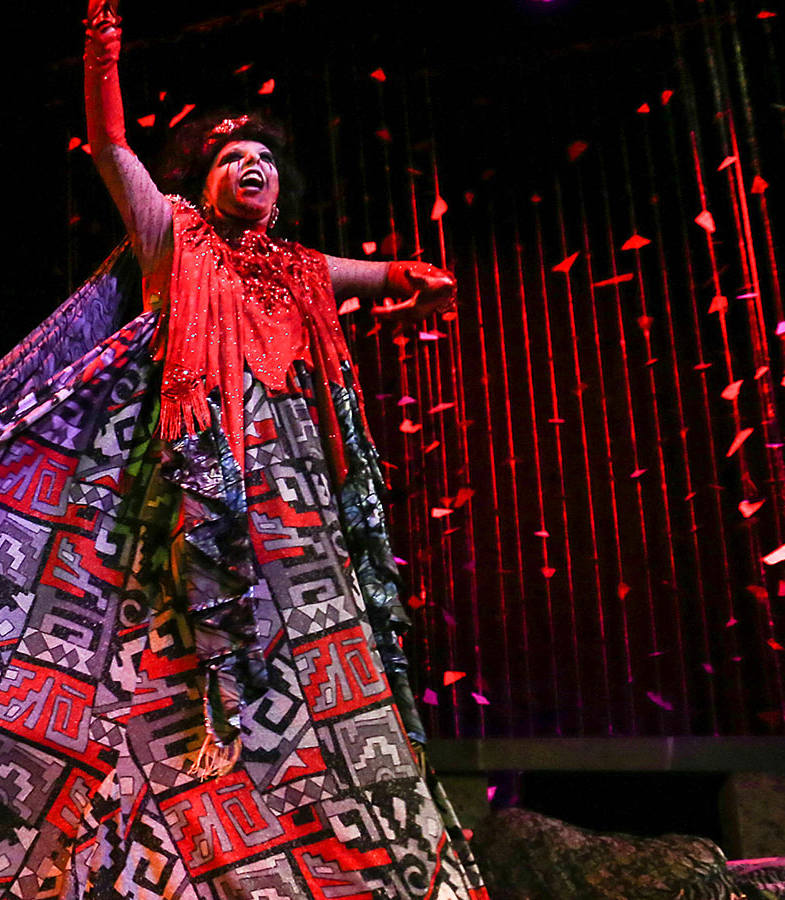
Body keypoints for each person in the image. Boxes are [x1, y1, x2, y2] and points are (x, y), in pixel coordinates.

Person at [74, 1, 488, 896]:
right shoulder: (171, 236)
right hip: (208, 478)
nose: (253, 164)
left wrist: (417, 283)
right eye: (233, 157)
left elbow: (390, 276)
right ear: (203, 178)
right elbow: (111, 148)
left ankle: (338, 833)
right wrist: (104, 56)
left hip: (304, 492)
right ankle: (201, 832)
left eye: (262, 157)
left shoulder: (301, 266)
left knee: (323, 650)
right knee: (203, 645)